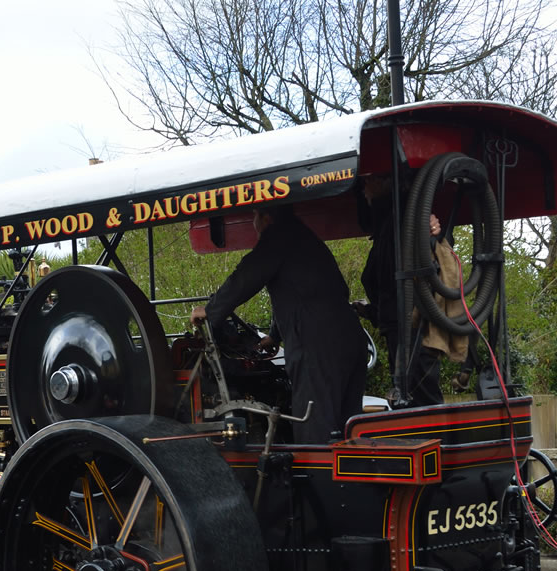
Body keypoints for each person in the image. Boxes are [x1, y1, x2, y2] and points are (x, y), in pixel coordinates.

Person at [191, 206, 366, 443]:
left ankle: (315, 466)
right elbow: (303, 294)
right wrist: (274, 336)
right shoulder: (305, 238)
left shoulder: (278, 236)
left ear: (266, 217)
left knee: (315, 423)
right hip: (350, 336)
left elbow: (247, 276)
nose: (253, 222)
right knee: (348, 426)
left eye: (254, 215)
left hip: (318, 345)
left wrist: (210, 311)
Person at [356, 175, 467, 406]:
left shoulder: (406, 219)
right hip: (402, 326)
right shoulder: (389, 224)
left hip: (413, 328)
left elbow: (399, 282)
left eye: (369, 179)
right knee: (412, 396)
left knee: (420, 398)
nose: (364, 187)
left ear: (385, 182)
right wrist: (372, 311)